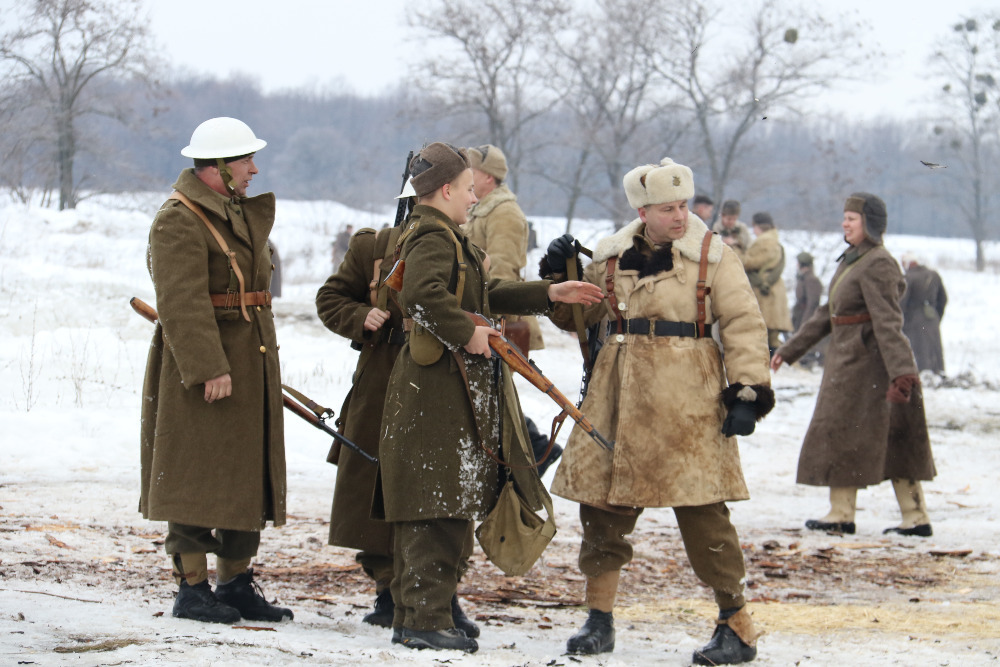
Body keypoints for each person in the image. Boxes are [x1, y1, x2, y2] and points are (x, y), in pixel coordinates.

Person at [543, 158, 774, 665]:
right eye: (667, 208)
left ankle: (736, 623)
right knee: (603, 511)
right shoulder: (610, 257)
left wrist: (749, 392)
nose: (679, 215)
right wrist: (557, 275)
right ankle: (598, 620)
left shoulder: (714, 255)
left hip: (688, 396)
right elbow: (580, 319)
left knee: (705, 514)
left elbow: (742, 324)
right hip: (617, 393)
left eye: (683, 205)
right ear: (643, 211)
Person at [377, 142, 602, 653]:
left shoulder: (445, 234)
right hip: (435, 389)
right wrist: (467, 332)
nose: (475, 195)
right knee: (434, 503)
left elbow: (483, 293)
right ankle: (422, 619)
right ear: (448, 189)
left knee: (445, 499)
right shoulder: (432, 235)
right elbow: (422, 296)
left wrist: (549, 293)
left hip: (447, 386)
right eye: (468, 188)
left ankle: (419, 615)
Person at [140, 117, 292, 624]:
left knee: (247, 473)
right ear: (219, 168)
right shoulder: (178, 218)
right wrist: (208, 366)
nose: (254, 168)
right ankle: (192, 588)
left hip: (250, 363)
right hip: (205, 369)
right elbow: (180, 302)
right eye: (245, 159)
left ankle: (235, 582)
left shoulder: (235, 213)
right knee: (194, 473)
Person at [315, 180, 479, 636]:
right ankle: (390, 587)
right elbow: (330, 299)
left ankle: (437, 594)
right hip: (381, 377)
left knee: (435, 490)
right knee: (373, 488)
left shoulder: (459, 247)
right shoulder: (372, 246)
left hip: (437, 378)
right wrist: (358, 318)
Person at [771, 193, 936, 538]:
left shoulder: (878, 263)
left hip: (871, 365)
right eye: (844, 217)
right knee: (842, 435)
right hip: (847, 363)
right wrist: (789, 351)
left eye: (852, 218)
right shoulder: (852, 260)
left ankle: (914, 516)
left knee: (893, 436)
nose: (845, 223)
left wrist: (902, 373)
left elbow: (889, 321)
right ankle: (842, 512)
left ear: (870, 224)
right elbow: (826, 314)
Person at [465, 143, 560, 474]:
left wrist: (480, 316)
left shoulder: (503, 212)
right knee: (489, 392)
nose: (466, 175)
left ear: (488, 178)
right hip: (483, 315)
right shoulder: (480, 209)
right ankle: (529, 448)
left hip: (496, 317)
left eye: (471, 170)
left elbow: (502, 270)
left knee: (493, 391)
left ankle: (534, 447)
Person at [743, 212, 793, 354]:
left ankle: (770, 359)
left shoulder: (764, 241)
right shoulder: (773, 239)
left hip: (765, 291)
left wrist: (736, 252)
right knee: (771, 332)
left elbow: (750, 262)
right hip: (773, 288)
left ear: (758, 226)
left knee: (765, 330)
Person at [899, 254, 947, 374]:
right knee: (934, 347)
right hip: (932, 317)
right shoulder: (934, 275)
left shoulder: (908, 277)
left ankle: (922, 374)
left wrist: (902, 320)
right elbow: (944, 298)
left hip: (914, 319)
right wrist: (937, 315)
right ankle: (938, 371)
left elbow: (903, 302)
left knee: (919, 349)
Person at [791, 251, 825, 367]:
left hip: (807, 314)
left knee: (806, 338)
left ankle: (808, 361)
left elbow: (813, 303)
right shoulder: (804, 278)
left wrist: (806, 320)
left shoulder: (811, 280)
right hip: (800, 314)